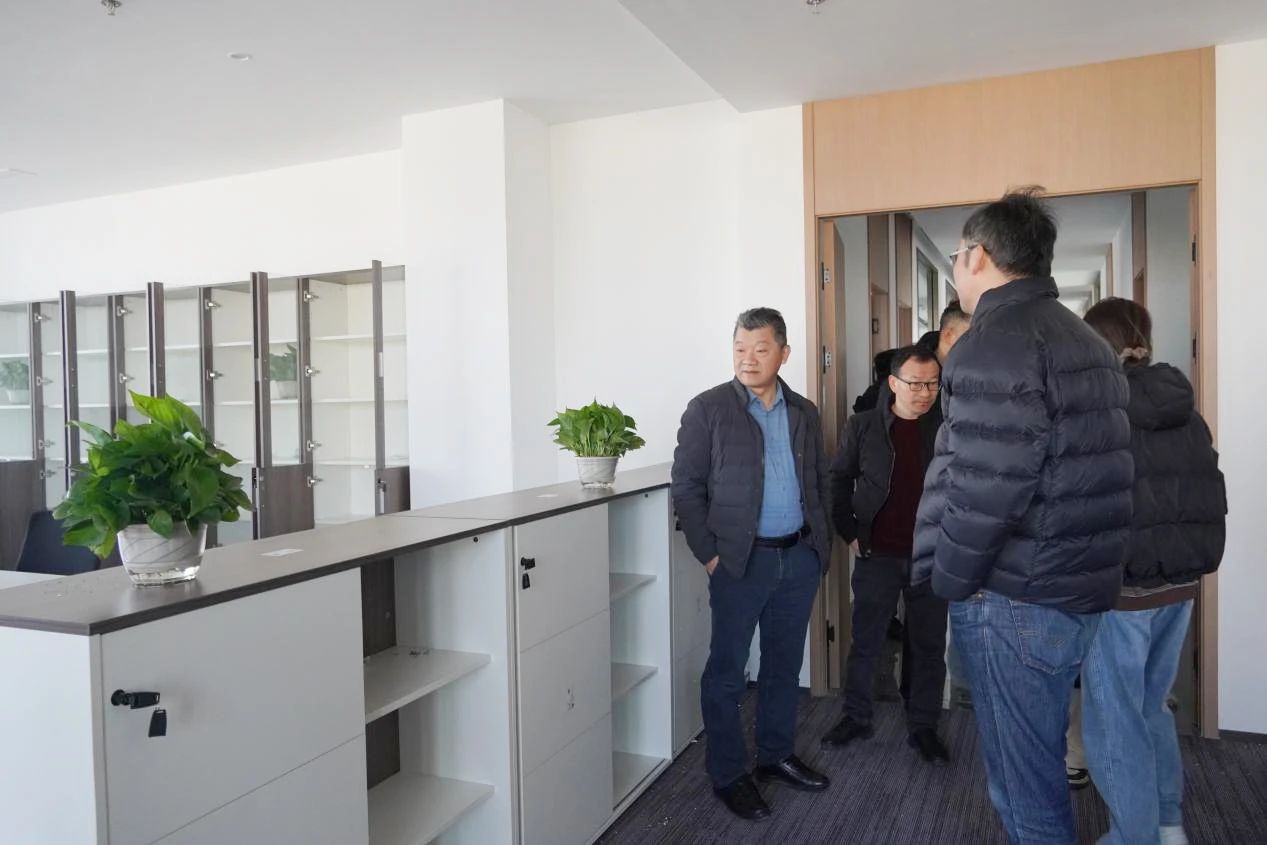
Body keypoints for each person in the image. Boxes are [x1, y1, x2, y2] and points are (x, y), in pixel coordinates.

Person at [912, 188, 1134, 845]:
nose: (956, 267)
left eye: (957, 256)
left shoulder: (993, 342)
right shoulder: (1082, 338)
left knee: (1022, 786)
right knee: (1037, 761)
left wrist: (950, 580)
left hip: (1013, 595)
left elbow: (988, 488)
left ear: (977, 255)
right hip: (1071, 584)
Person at [671, 307, 834, 822]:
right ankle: (728, 775)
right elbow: (686, 488)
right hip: (741, 563)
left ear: (784, 354)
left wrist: (821, 546)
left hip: (798, 557)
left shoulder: (804, 411)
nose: (747, 359)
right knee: (727, 671)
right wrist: (710, 554)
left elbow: (820, 481)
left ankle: (775, 755)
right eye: (740, 348)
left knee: (783, 666)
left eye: (760, 349)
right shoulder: (708, 409)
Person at [1079, 298, 1226, 845]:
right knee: (1150, 706)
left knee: (1114, 718)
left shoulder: (1103, 412)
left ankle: (1132, 836)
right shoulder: (1187, 412)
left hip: (1122, 588)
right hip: (1180, 583)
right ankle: (1167, 824)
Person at [821, 345, 950, 765]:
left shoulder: (947, 427)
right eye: (916, 384)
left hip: (931, 556)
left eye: (933, 384)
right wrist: (849, 532)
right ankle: (856, 715)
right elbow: (839, 480)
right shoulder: (863, 426)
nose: (925, 392)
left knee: (928, 645)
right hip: (877, 553)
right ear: (893, 383)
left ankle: (923, 724)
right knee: (867, 641)